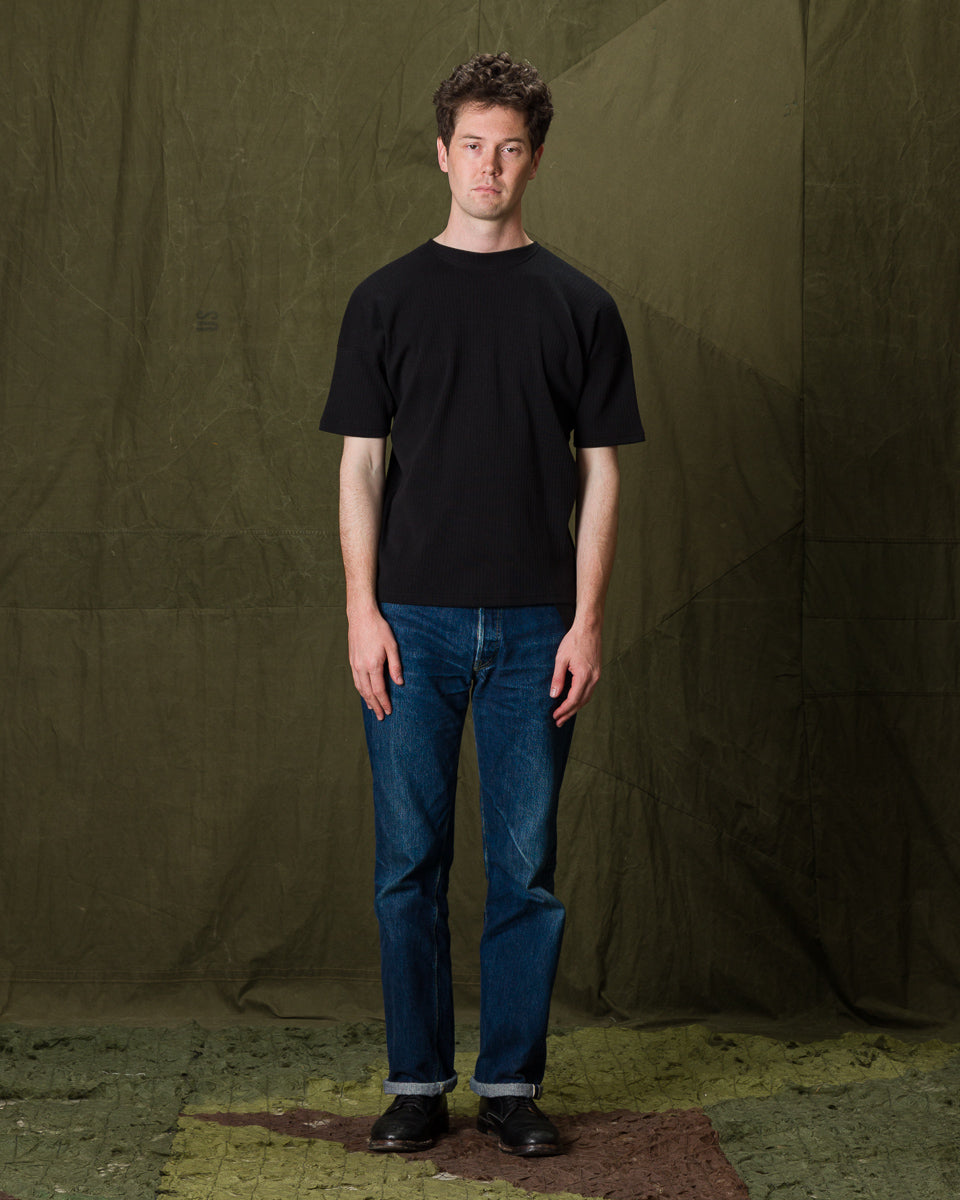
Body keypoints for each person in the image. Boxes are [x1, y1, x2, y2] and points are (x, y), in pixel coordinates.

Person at [320, 52, 644, 1158]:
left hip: (538, 628)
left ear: (535, 159)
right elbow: (361, 466)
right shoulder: (385, 299)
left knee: (526, 871)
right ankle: (417, 1084)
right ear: (442, 153)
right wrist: (361, 612)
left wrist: (586, 622)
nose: (489, 166)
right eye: (472, 145)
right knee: (407, 866)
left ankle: (509, 1086)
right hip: (408, 623)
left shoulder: (581, 305)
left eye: (510, 149)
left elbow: (602, 470)